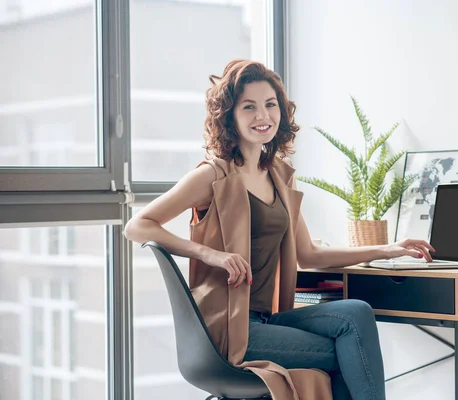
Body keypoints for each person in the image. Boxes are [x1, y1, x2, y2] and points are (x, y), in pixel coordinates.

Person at [124, 59, 435, 400]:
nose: (263, 116)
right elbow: (137, 225)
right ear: (230, 115)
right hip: (231, 328)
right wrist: (211, 254)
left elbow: (309, 254)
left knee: (355, 314)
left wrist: (388, 249)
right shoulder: (213, 176)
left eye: (270, 105)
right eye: (249, 107)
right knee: (349, 353)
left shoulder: (280, 175)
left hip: (269, 318)